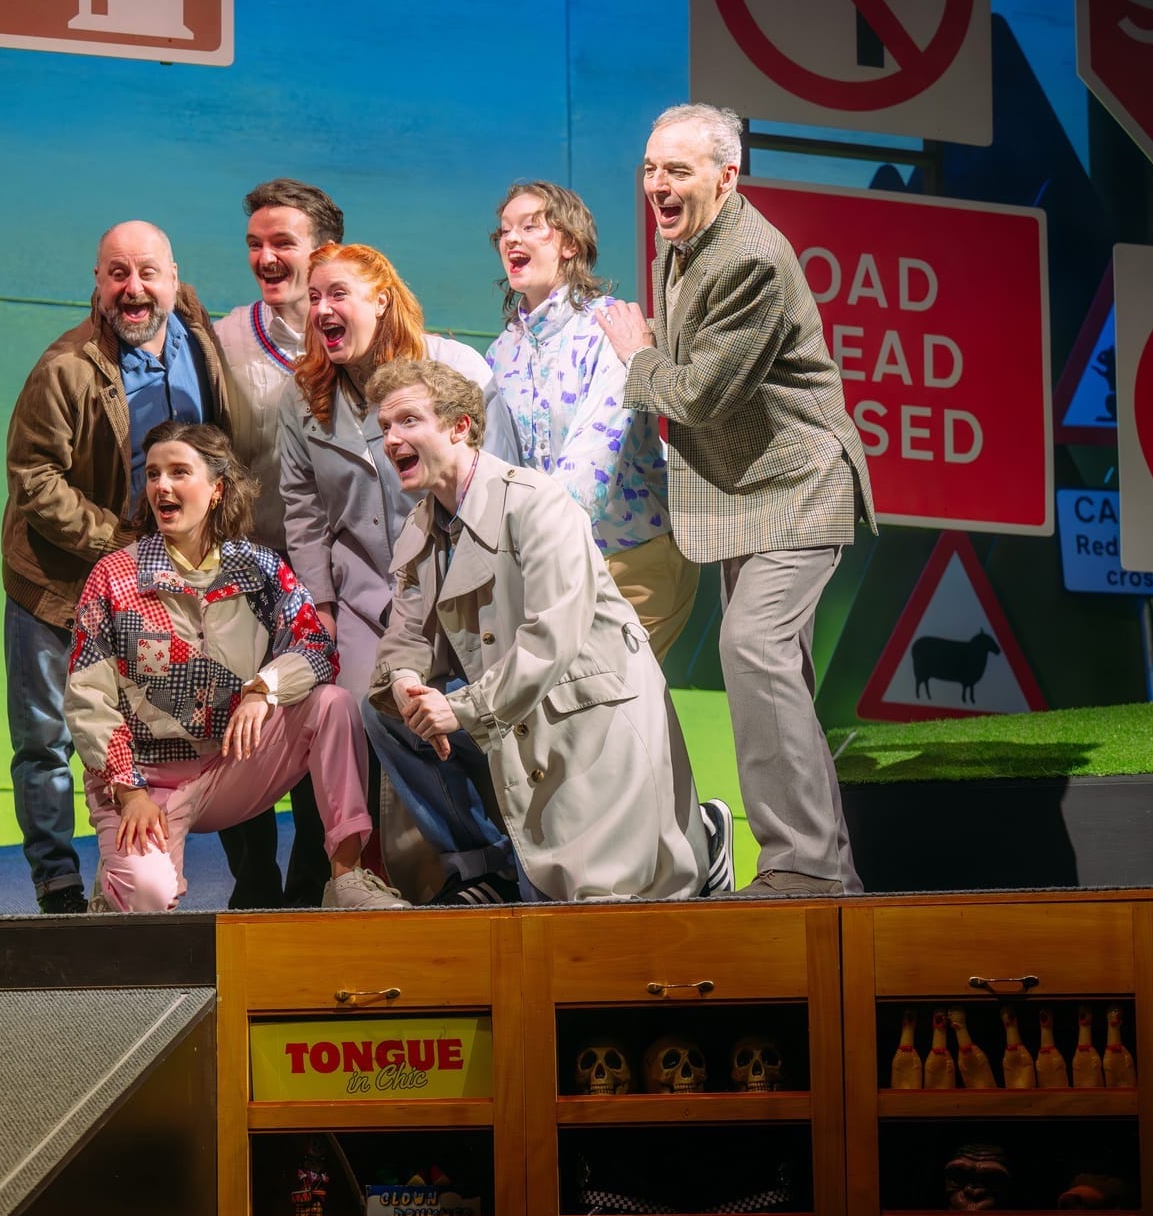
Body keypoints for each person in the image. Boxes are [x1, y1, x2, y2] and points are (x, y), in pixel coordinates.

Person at [597, 103, 877, 898]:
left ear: (727, 177)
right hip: (743, 492)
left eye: (677, 170)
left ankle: (803, 865)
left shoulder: (748, 257)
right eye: (650, 168)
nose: (658, 184)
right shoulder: (680, 244)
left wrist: (637, 354)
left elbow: (704, 394)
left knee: (753, 651)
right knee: (770, 667)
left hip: (797, 484)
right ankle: (823, 869)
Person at [361, 359, 718, 902]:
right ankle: (483, 869)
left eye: (408, 421)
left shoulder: (536, 503)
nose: (392, 439)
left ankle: (707, 842)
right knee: (383, 712)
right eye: (385, 427)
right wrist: (408, 683)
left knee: (596, 908)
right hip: (505, 708)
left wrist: (457, 709)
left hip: (580, 710)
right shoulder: (421, 525)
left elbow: (552, 638)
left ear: (460, 427)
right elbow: (406, 631)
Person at [65, 421, 405, 912]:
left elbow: (317, 647)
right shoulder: (116, 576)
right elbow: (86, 698)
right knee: (147, 899)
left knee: (332, 705)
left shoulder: (260, 569)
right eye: (155, 474)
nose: (162, 485)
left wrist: (263, 688)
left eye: (180, 472)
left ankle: (347, 876)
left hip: (230, 766)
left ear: (217, 488)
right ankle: (118, 886)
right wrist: (126, 789)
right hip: (144, 783)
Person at [277, 243, 518, 902]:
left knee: (469, 715)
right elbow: (301, 509)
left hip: (459, 583)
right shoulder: (302, 399)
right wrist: (320, 603)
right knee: (368, 715)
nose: (322, 308)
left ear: (381, 298)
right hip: (364, 597)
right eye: (314, 297)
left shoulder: (454, 370)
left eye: (338, 294)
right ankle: (375, 884)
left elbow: (495, 481)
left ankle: (496, 870)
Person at [3, 221, 229, 913]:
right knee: (46, 736)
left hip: (155, 588)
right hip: (58, 585)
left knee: (149, 727)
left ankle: (129, 872)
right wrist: (118, 542)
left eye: (147, 273)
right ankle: (56, 882)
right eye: (117, 274)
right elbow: (32, 478)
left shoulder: (199, 336)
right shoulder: (65, 367)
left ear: (173, 277)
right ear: (97, 282)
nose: (134, 290)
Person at [484, 180, 697, 657]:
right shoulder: (502, 354)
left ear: (569, 244)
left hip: (634, 557)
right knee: (620, 721)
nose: (512, 239)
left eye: (531, 227)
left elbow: (593, 458)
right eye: (504, 231)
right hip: (553, 563)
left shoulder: (611, 325)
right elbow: (498, 468)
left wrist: (540, 550)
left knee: (608, 704)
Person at [210, 179, 345, 908]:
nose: (265, 256)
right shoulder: (226, 341)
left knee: (322, 724)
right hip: (248, 577)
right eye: (256, 243)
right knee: (244, 720)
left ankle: (315, 879)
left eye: (282, 242)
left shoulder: (355, 330)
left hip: (334, 581)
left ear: (322, 250)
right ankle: (253, 880)